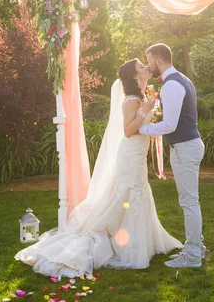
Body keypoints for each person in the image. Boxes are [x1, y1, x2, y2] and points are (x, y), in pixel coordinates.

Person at [15, 58, 182, 277]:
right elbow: (128, 130)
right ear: (134, 76)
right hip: (130, 153)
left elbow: (141, 126)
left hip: (137, 153)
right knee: (131, 192)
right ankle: (124, 241)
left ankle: (142, 240)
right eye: (141, 67)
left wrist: (150, 110)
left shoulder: (141, 97)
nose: (146, 68)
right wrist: (145, 111)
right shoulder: (132, 100)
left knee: (138, 191)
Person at [140, 43, 206, 268]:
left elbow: (169, 124)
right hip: (187, 145)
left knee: (189, 202)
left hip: (185, 147)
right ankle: (197, 248)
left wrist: (143, 130)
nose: (148, 66)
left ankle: (194, 255)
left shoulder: (171, 85)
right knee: (191, 201)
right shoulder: (182, 79)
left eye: (149, 61)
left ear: (158, 61)